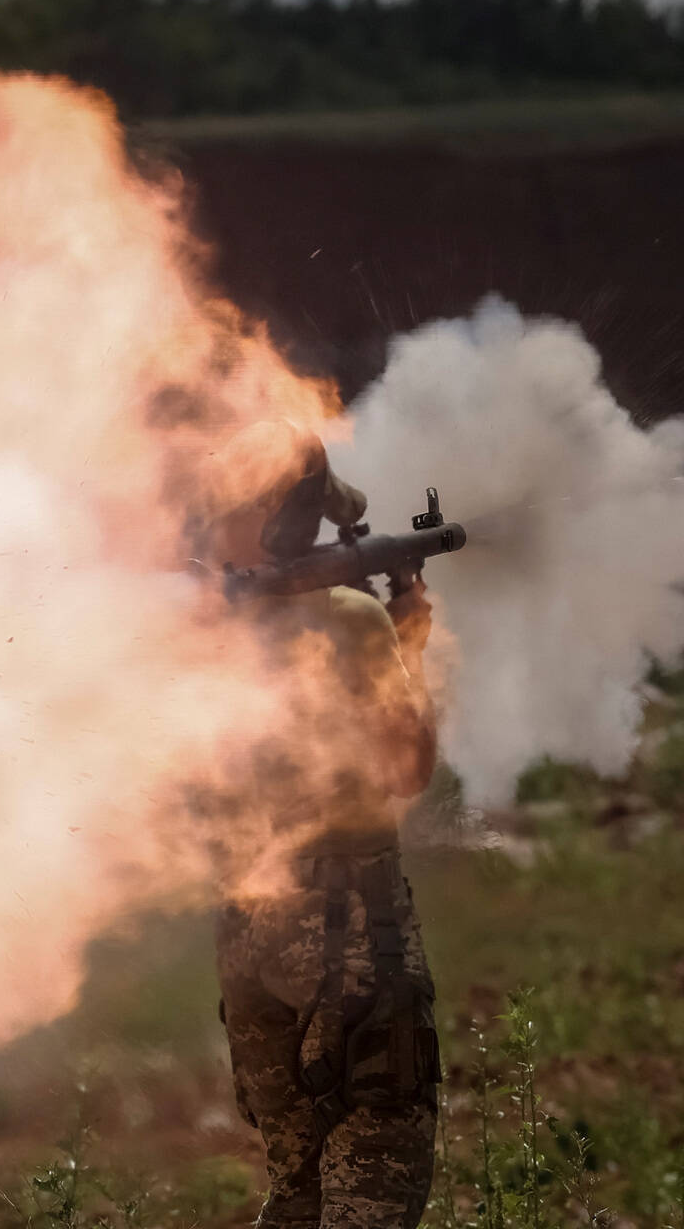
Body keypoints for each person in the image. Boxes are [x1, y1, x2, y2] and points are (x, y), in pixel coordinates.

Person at [197, 419, 442, 1229]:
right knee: (376, 1167)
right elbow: (407, 771)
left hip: (249, 933)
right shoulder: (349, 621)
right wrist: (409, 632)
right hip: (347, 930)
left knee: (296, 1198)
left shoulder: (208, 632)